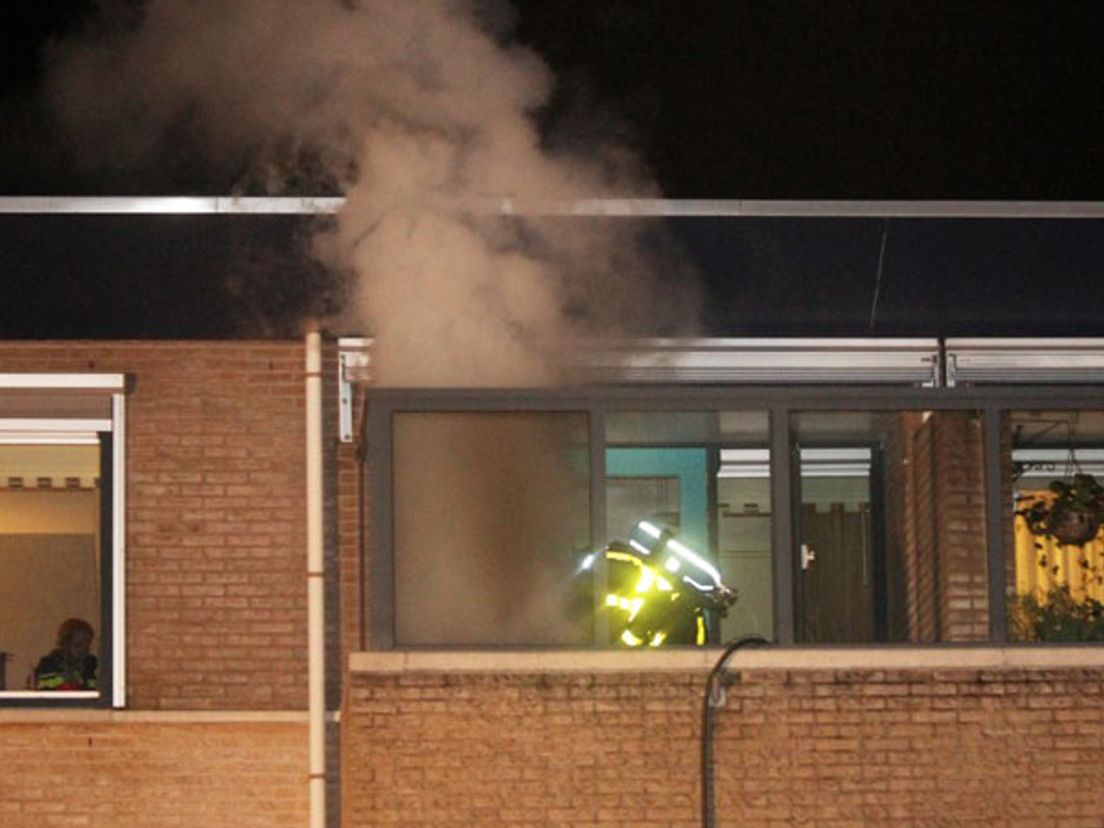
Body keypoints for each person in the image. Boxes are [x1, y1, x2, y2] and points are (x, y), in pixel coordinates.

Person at [35, 618, 98, 691]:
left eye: (87, 646)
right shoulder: (49, 663)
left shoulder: (89, 664)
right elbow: (42, 687)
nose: (83, 650)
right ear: (65, 644)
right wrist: (62, 679)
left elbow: (93, 687)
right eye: (78, 645)